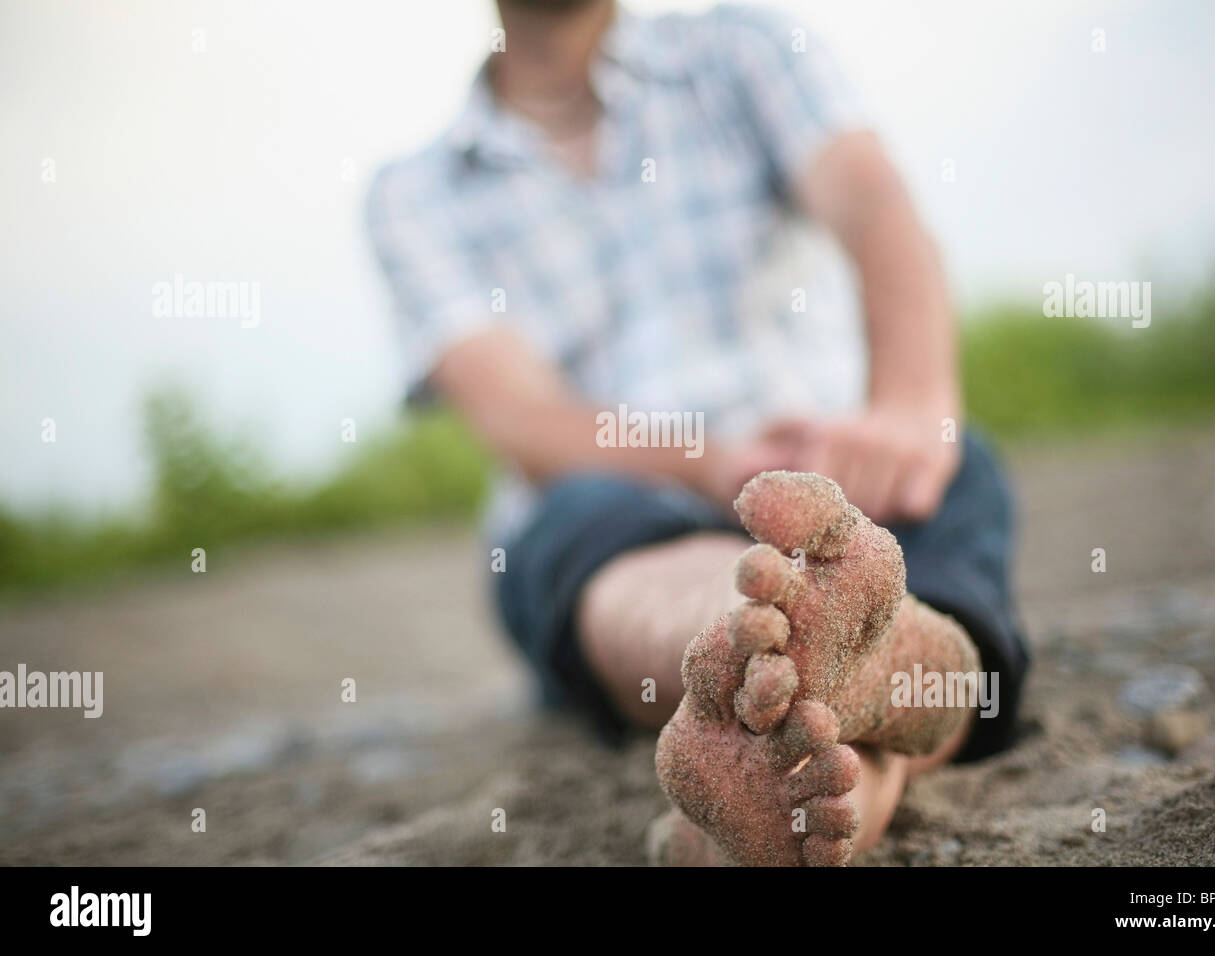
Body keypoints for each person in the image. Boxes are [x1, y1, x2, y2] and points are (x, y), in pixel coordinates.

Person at [367, 0, 1028, 865]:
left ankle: (811, 730)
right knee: (586, 521)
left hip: (836, 473)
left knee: (944, 478)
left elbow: (873, 204)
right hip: (616, 501)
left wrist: (909, 405)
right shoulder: (414, 194)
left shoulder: (740, 51)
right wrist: (713, 463)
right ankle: (837, 675)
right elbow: (518, 417)